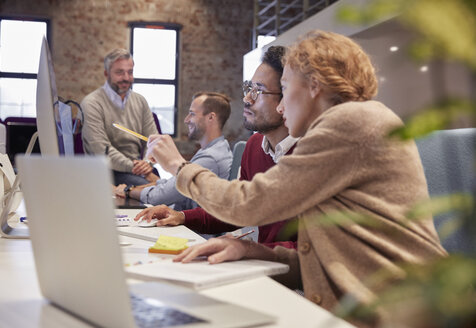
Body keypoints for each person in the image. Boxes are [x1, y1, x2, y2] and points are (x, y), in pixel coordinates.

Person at [142, 30, 448, 325]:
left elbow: (249, 204)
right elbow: (329, 259)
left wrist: (179, 168)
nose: (280, 103)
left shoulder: (350, 123)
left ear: (314, 86)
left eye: (285, 88)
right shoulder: (348, 124)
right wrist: (250, 250)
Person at [135, 46, 298, 248]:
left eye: (258, 91)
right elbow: (238, 208)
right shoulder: (254, 145)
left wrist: (247, 250)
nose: (247, 99)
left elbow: (310, 252)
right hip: (265, 265)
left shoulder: (312, 153)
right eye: (249, 89)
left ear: (288, 98)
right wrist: (182, 216)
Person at [115, 92, 233, 211]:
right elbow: (175, 184)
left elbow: (157, 197)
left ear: (211, 117)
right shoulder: (215, 149)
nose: (186, 120)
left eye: (192, 114)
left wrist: (127, 190)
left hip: (191, 227)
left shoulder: (210, 158)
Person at [81, 48, 159, 186]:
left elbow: (153, 140)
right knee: (157, 190)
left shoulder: (140, 101)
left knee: (171, 189)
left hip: (138, 169)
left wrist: (147, 163)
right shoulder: (91, 103)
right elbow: (101, 150)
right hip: (106, 171)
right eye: (119, 72)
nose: (126, 78)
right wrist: (136, 168)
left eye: (130, 72)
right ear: (106, 73)